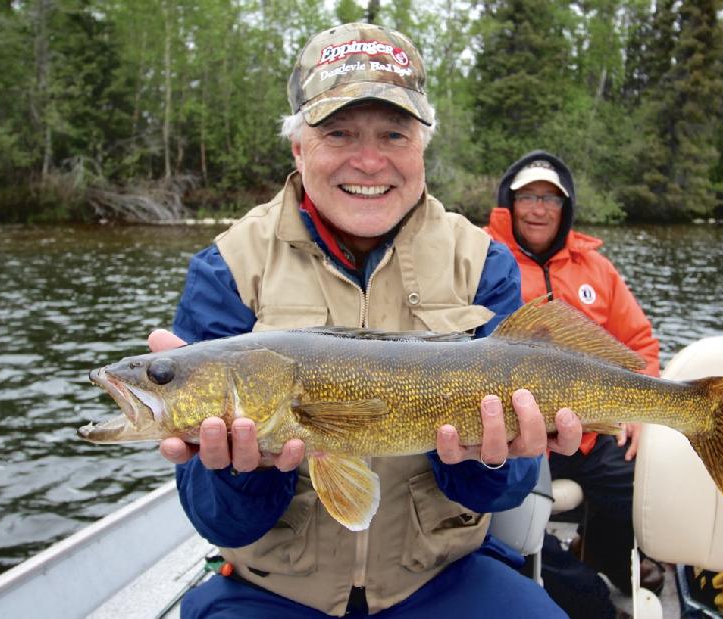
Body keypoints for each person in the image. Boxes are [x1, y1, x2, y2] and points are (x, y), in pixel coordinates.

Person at [149, 25, 584, 618]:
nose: (370, 160)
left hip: (440, 579)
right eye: (339, 133)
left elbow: (503, 491)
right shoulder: (227, 269)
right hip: (273, 589)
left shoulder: (483, 264)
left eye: (393, 134)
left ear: (421, 146)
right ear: (300, 149)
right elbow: (219, 518)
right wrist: (241, 473)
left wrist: (495, 458)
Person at [485, 151, 665, 611]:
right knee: (503, 510)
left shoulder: (597, 269)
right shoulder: (481, 257)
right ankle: (577, 585)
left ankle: (603, 552)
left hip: (587, 429)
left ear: (565, 208)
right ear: (510, 202)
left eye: (550, 198)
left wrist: (638, 416)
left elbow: (639, 344)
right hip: (514, 432)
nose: (539, 209)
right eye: (528, 197)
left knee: (640, 483)